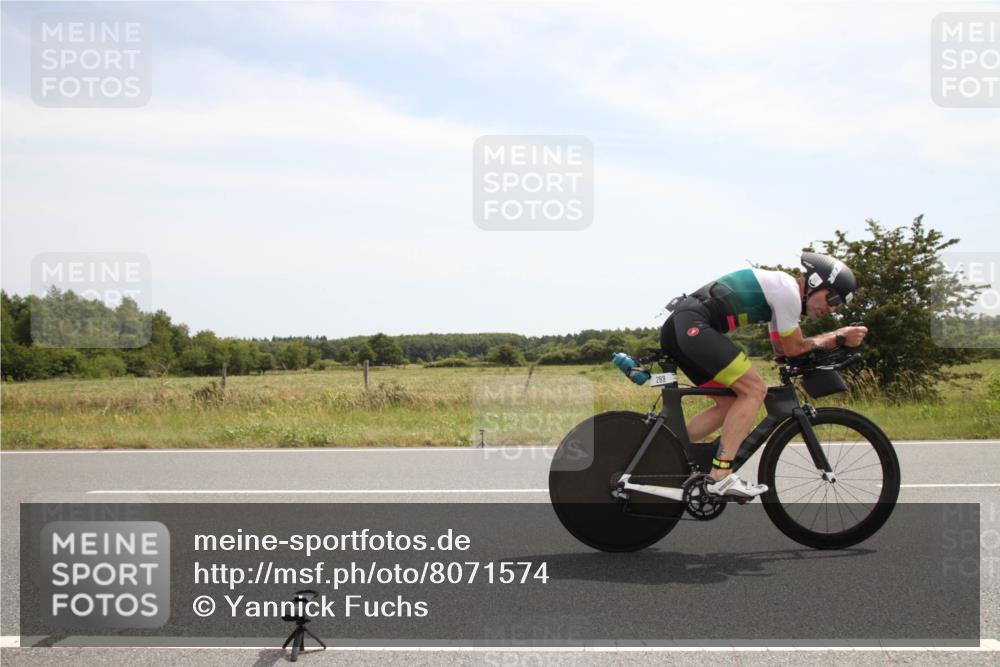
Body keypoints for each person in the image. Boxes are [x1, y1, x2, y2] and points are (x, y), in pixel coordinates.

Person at [659, 253, 868, 499]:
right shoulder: (788, 291)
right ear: (815, 283)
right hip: (693, 324)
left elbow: (781, 350)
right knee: (754, 390)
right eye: (832, 297)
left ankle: (663, 454)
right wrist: (838, 337)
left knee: (729, 403)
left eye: (838, 305)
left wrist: (817, 347)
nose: (831, 307)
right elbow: (793, 348)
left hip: (681, 326)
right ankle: (720, 476)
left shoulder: (781, 295)